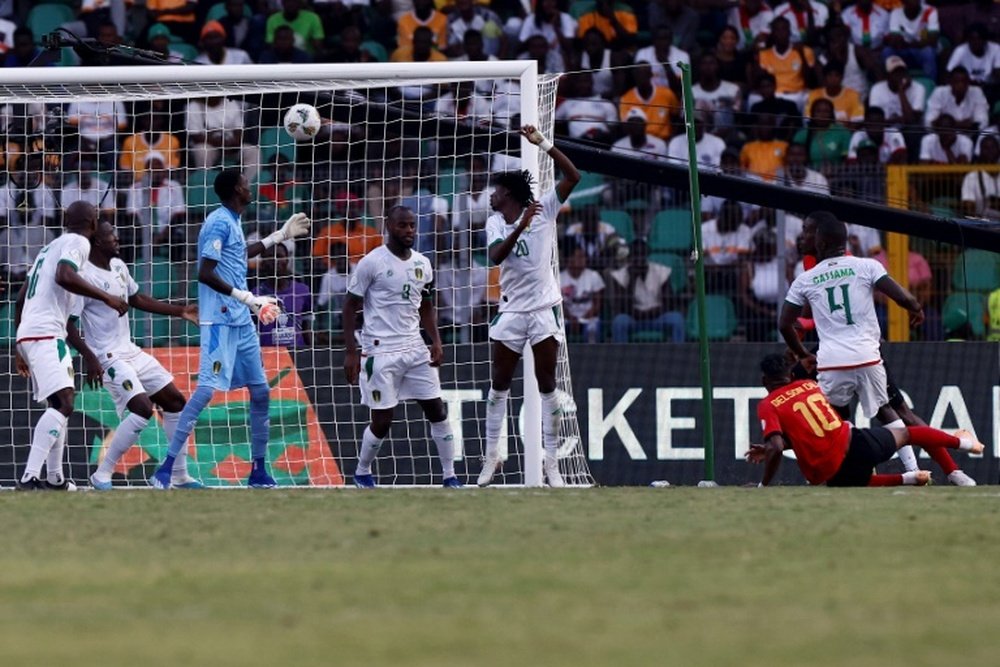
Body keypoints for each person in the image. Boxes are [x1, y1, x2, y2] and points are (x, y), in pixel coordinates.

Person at [149, 170, 310, 490]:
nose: (250, 188)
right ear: (237, 189)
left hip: (241, 321)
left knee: (261, 392)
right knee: (206, 391)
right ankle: (166, 468)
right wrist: (245, 296)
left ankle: (259, 471)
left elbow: (238, 255)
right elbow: (205, 273)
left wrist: (278, 236)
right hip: (218, 320)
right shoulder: (218, 222)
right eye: (246, 184)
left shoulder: (233, 221)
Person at [778, 211, 926, 475]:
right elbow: (899, 297)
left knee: (832, 416)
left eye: (807, 231)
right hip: (867, 353)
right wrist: (914, 306)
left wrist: (801, 352)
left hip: (831, 358)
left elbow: (788, 322)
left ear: (821, 240)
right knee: (888, 411)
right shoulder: (866, 265)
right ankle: (914, 469)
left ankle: (846, 470)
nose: (802, 236)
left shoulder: (807, 276)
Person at [477, 124, 580, 488]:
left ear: (507, 193)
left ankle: (552, 463)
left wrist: (544, 144)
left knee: (547, 383)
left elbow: (573, 174)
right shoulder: (495, 222)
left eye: (495, 191)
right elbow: (495, 256)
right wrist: (520, 225)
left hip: (543, 308)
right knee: (499, 383)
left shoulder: (547, 209)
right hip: (511, 310)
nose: (489, 196)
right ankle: (492, 457)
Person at [73, 222, 201, 490]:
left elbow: (138, 299)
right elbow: (68, 323)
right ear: (97, 242)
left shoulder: (119, 266)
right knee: (143, 409)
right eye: (111, 235)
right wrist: (89, 357)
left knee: (176, 402)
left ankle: (179, 476)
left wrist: (179, 311)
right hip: (107, 356)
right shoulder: (84, 276)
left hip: (130, 349)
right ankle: (102, 474)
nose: (117, 238)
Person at [342, 206, 461, 488]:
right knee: (382, 421)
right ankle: (361, 472)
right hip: (380, 350)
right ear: (389, 226)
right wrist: (350, 351)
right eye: (402, 225)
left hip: (415, 347)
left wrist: (435, 339)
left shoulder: (422, 263)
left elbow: (427, 304)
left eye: (412, 225)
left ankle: (450, 476)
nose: (409, 231)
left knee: (438, 411)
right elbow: (348, 306)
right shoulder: (371, 263)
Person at [13, 201, 129, 490]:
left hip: (31, 332)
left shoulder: (48, 248)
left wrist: (19, 345)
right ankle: (29, 477)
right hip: (46, 332)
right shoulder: (79, 242)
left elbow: (20, 299)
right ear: (92, 225)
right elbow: (65, 276)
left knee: (58, 403)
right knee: (64, 403)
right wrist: (107, 298)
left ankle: (55, 478)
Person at [747, 354, 983, 486]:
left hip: (829, 471)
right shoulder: (809, 385)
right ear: (789, 375)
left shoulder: (768, 405)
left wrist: (764, 482)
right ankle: (963, 444)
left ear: (764, 381)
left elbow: (778, 445)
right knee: (906, 432)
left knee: (849, 482)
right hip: (856, 443)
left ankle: (908, 478)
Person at [606, 239, 685, 344]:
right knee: (619, 322)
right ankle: (622, 357)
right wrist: (632, 280)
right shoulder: (620, 275)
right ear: (631, 256)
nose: (639, 259)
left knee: (677, 319)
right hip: (633, 317)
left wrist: (653, 312)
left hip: (657, 316)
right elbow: (621, 307)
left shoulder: (661, 271)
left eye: (641, 255)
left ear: (647, 255)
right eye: (635, 255)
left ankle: (678, 356)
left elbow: (669, 303)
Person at [560, 242, 604, 343]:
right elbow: (558, 306)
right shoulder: (559, 278)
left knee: (592, 329)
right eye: (579, 257)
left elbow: (598, 304)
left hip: (589, 317)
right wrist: (571, 318)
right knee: (556, 329)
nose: (584, 259)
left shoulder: (593, 275)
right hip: (566, 318)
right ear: (569, 260)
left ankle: (592, 356)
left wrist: (584, 317)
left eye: (584, 256)